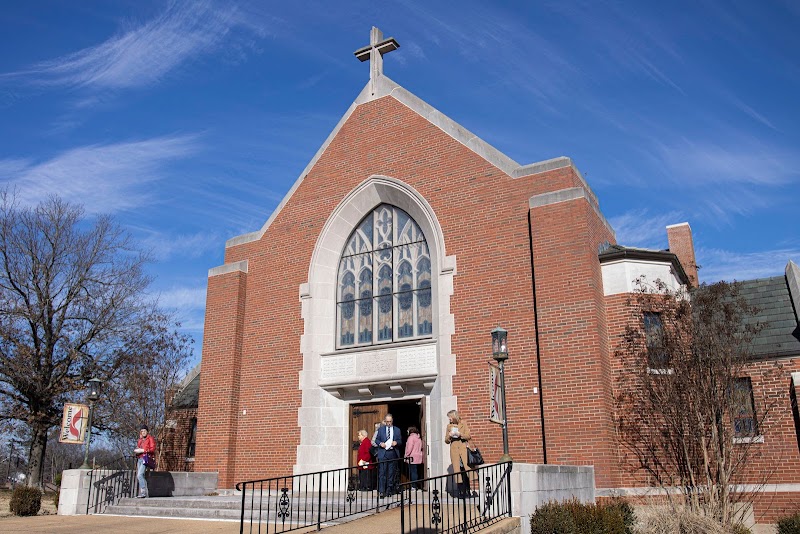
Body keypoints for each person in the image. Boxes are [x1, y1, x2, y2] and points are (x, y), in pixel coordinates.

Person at [374, 413, 402, 498]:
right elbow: (376, 440)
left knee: (391, 473)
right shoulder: (381, 430)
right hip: (383, 453)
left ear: (392, 421)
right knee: (382, 473)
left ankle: (389, 490)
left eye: (390, 421)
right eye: (387, 421)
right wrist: (380, 443)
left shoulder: (397, 430)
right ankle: (382, 491)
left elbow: (400, 441)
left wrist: (396, 442)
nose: (389, 423)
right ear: (385, 421)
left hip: (392, 453)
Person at [444, 409, 471, 497]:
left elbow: (468, 436)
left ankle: (467, 490)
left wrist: (460, 435)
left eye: (450, 417)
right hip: (454, 450)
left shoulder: (463, 423)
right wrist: (449, 436)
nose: (449, 419)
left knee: (465, 469)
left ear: (454, 416)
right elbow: (446, 440)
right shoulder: (449, 426)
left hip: (463, 449)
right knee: (457, 470)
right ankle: (461, 491)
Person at [133, 425, 156, 498]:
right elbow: (138, 447)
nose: (143, 432)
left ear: (147, 431)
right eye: (142, 431)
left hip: (145, 458)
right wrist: (137, 451)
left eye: (144, 431)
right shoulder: (140, 440)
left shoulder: (150, 438)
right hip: (139, 458)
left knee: (140, 474)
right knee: (140, 475)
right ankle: (142, 492)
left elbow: (152, 449)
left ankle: (143, 493)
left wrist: (144, 450)